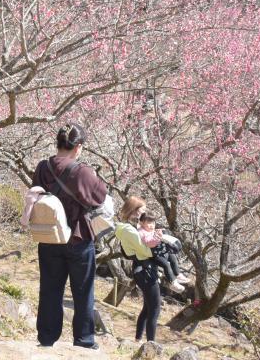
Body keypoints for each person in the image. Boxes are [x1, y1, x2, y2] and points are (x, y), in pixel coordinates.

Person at [30, 123, 108, 350]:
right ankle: (83, 341)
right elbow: (100, 197)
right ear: (78, 147)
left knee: (50, 289)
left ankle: (46, 338)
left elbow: (36, 193)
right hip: (78, 238)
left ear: (58, 143)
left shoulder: (43, 167)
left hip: (49, 237)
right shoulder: (82, 171)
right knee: (83, 291)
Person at [114, 196, 162, 344]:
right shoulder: (130, 230)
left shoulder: (129, 227)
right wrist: (158, 244)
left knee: (147, 308)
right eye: (142, 209)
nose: (144, 211)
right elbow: (145, 251)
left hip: (142, 269)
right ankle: (151, 344)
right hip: (145, 270)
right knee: (155, 307)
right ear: (134, 210)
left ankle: (138, 339)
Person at [138, 213, 189, 291]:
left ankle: (178, 274)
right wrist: (159, 238)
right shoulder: (142, 232)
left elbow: (155, 237)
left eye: (153, 223)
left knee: (173, 257)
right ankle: (173, 283)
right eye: (149, 223)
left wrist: (160, 233)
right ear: (141, 223)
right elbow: (149, 243)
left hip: (160, 251)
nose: (151, 225)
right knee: (166, 265)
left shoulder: (150, 230)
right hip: (153, 255)